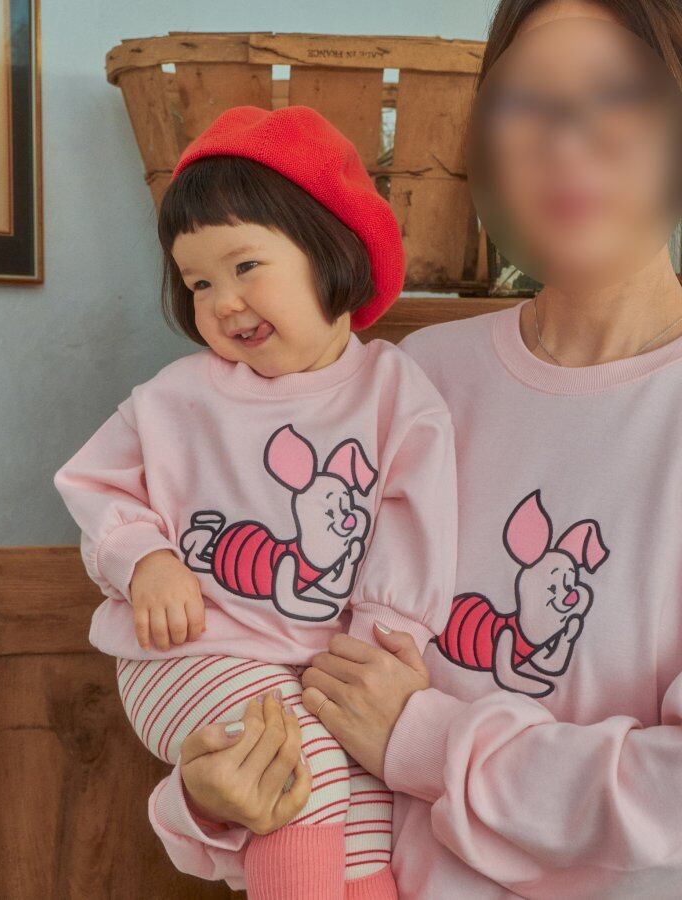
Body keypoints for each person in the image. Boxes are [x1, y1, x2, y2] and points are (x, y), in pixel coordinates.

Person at [148, 1, 682, 897]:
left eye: (617, 92)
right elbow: (273, 655)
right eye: (527, 102)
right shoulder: (409, 378)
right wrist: (203, 802)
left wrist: (425, 739)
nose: (565, 140)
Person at [52, 104, 458, 899]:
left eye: (244, 267)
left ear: (330, 249)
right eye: (199, 282)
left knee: (370, 808)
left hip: (317, 673)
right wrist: (146, 560)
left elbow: (416, 529)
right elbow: (95, 484)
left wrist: (376, 653)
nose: (223, 301)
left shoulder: (394, 393)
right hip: (185, 657)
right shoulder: (180, 398)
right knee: (300, 774)